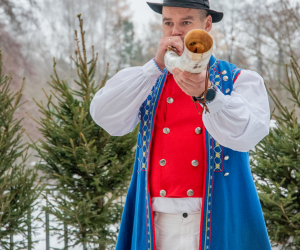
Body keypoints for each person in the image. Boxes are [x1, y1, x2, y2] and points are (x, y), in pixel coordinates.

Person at [90, 0, 272, 249]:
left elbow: (248, 135)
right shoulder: (147, 81)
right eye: (168, 23)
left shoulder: (238, 80)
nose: (175, 31)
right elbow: (104, 116)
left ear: (206, 24)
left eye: (185, 22)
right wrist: (153, 67)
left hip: (215, 220)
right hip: (155, 224)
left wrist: (208, 94)